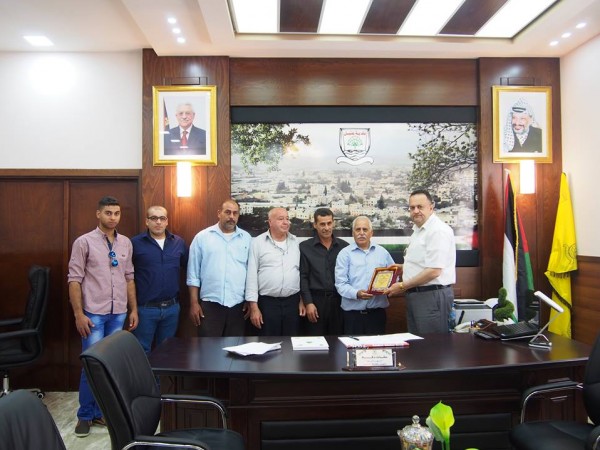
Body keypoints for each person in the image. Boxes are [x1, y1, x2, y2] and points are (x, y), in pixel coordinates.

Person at [67, 196, 138, 438]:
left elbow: (129, 278)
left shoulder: (125, 243)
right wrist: (78, 314)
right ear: (98, 214)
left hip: (118, 313)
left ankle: (100, 412)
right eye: (108, 213)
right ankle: (85, 415)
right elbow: (74, 280)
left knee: (109, 365)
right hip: (94, 314)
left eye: (116, 213)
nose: (113, 217)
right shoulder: (84, 242)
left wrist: (133, 309)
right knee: (92, 365)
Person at [385, 189, 456, 335]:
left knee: (431, 345)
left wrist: (402, 286)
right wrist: (404, 267)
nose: (416, 211)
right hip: (418, 295)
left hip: (430, 296)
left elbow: (434, 271)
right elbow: (424, 263)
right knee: (418, 343)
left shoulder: (437, 231)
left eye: (420, 207)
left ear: (431, 206)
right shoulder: (419, 230)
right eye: (412, 208)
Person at [187, 199, 251, 336]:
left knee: (235, 347)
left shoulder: (247, 239)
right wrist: (194, 303)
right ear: (219, 213)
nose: (231, 217)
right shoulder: (202, 237)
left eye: (235, 213)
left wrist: (250, 300)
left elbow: (251, 272)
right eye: (227, 212)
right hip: (210, 305)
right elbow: (193, 274)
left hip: (238, 305)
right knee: (208, 347)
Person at [131, 206, 188, 355]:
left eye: (162, 218)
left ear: (167, 221)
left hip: (171, 309)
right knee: (142, 352)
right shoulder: (135, 243)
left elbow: (188, 268)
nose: (158, 222)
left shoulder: (178, 243)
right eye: (154, 218)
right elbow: (127, 275)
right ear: (147, 221)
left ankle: (160, 373)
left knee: (166, 352)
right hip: (145, 310)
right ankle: (144, 373)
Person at [245, 207, 302, 336]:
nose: (286, 222)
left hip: (292, 303)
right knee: (268, 343)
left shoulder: (295, 242)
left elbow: (301, 273)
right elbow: (251, 276)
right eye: (281, 219)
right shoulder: (258, 243)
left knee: (291, 342)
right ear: (270, 222)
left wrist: (302, 300)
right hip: (267, 304)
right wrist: (254, 307)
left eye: (287, 218)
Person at [335, 216, 394, 335]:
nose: (361, 233)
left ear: (371, 233)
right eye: (358, 229)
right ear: (353, 233)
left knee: (377, 347)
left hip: (377, 315)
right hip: (352, 316)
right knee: (352, 347)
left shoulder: (383, 253)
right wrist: (356, 293)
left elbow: (394, 276)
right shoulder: (344, 254)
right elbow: (340, 284)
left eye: (365, 229)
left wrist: (389, 288)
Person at [299, 208, 349, 335]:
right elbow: (303, 277)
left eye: (329, 223)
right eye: (322, 224)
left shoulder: (344, 247)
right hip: (315, 302)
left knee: (338, 342)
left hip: (339, 302)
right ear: (315, 225)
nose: (326, 228)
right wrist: (308, 303)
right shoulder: (305, 247)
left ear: (333, 223)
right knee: (315, 343)